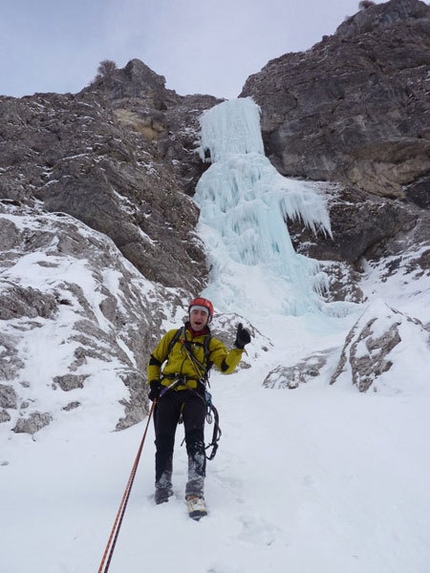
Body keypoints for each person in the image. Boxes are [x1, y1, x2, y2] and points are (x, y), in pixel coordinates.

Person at [147, 296, 251, 515]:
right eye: (196, 312)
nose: (198, 317)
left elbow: (225, 366)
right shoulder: (173, 337)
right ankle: (162, 486)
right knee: (163, 440)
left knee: (195, 439)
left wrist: (238, 348)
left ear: (208, 319)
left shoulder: (211, 343)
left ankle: (195, 491)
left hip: (194, 393)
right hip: (168, 390)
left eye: (203, 314)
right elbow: (155, 360)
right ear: (189, 314)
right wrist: (154, 383)